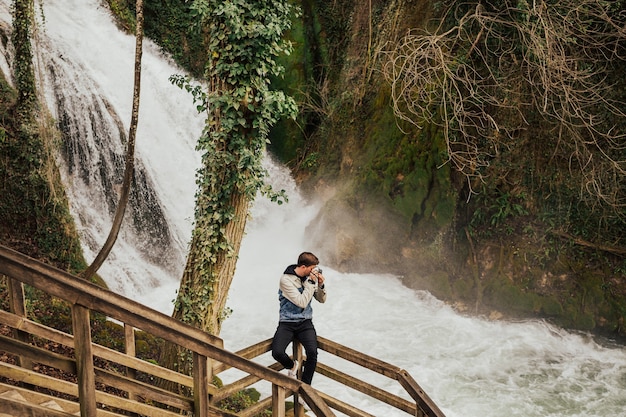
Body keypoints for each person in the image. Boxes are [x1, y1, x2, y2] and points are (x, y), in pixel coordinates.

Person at [271, 251, 326, 385]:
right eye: (312, 269)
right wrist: (311, 283)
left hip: (305, 322)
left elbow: (322, 300)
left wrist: (320, 285)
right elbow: (301, 302)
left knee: (312, 353)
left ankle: (305, 388)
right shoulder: (286, 280)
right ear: (303, 267)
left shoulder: (309, 279)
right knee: (277, 352)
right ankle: (291, 366)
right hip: (287, 322)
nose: (314, 272)